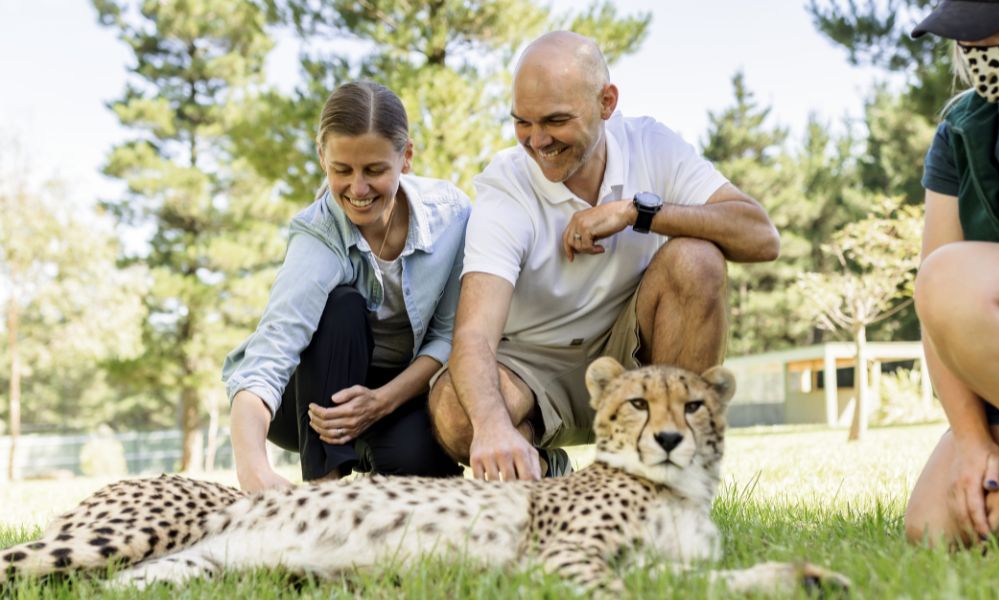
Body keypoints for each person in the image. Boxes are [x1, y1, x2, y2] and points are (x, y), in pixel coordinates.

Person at [428, 32, 780, 482]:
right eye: (522, 122)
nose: (537, 141)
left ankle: (667, 481)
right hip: (531, 366)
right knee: (459, 415)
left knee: (697, 259)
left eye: (555, 121)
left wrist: (638, 212)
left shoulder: (652, 145)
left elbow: (761, 236)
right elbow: (474, 335)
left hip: (632, 350)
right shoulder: (505, 190)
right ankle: (547, 471)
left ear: (606, 102)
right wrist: (493, 427)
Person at [222, 81, 468, 492]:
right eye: (342, 170)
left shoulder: (453, 215)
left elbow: (447, 336)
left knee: (423, 474)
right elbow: (272, 352)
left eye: (374, 170)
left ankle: (371, 448)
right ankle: (326, 487)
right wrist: (253, 471)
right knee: (341, 307)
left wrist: (380, 402)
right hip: (313, 396)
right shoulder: (316, 233)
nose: (357, 190)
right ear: (322, 158)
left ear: (406, 157)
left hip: (401, 392)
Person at [903, 1, 999, 547]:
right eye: (970, 39)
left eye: (994, 35)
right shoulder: (960, 130)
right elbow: (935, 313)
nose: (981, 52)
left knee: (951, 278)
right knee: (933, 529)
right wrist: (970, 440)